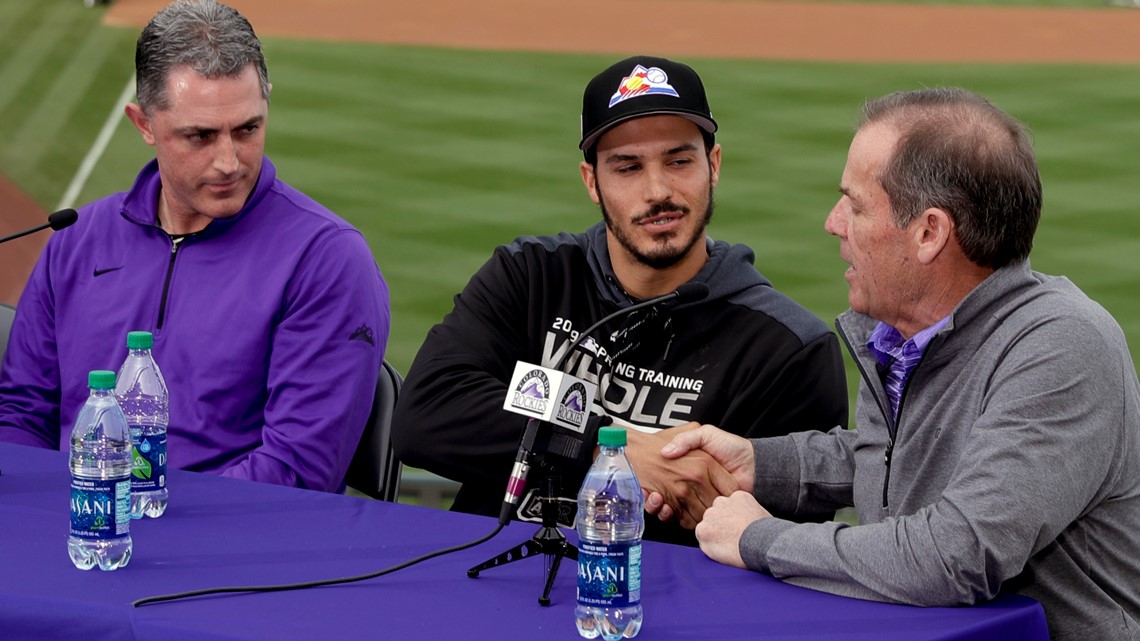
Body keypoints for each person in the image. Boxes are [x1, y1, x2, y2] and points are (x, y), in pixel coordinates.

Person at [648, 88, 1140, 640]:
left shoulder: (1063, 346)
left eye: (855, 205)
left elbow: (958, 555)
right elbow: (894, 459)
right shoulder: (906, 334)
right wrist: (758, 465)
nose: (833, 223)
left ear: (929, 232)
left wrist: (760, 538)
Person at [391, 55, 848, 546]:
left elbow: (781, 544)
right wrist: (613, 449)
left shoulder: (787, 348)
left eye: (679, 161)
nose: (659, 190)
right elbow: (424, 417)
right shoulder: (529, 277)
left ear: (713, 166)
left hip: (658, 608)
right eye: (627, 167)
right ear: (592, 182)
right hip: (496, 584)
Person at [0, 0, 389, 493]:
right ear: (143, 124)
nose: (229, 161)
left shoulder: (327, 259)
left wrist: (141, 513)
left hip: (235, 557)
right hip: (79, 531)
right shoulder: (76, 241)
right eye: (200, 136)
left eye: (247, 129)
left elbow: (296, 470)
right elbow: (21, 415)